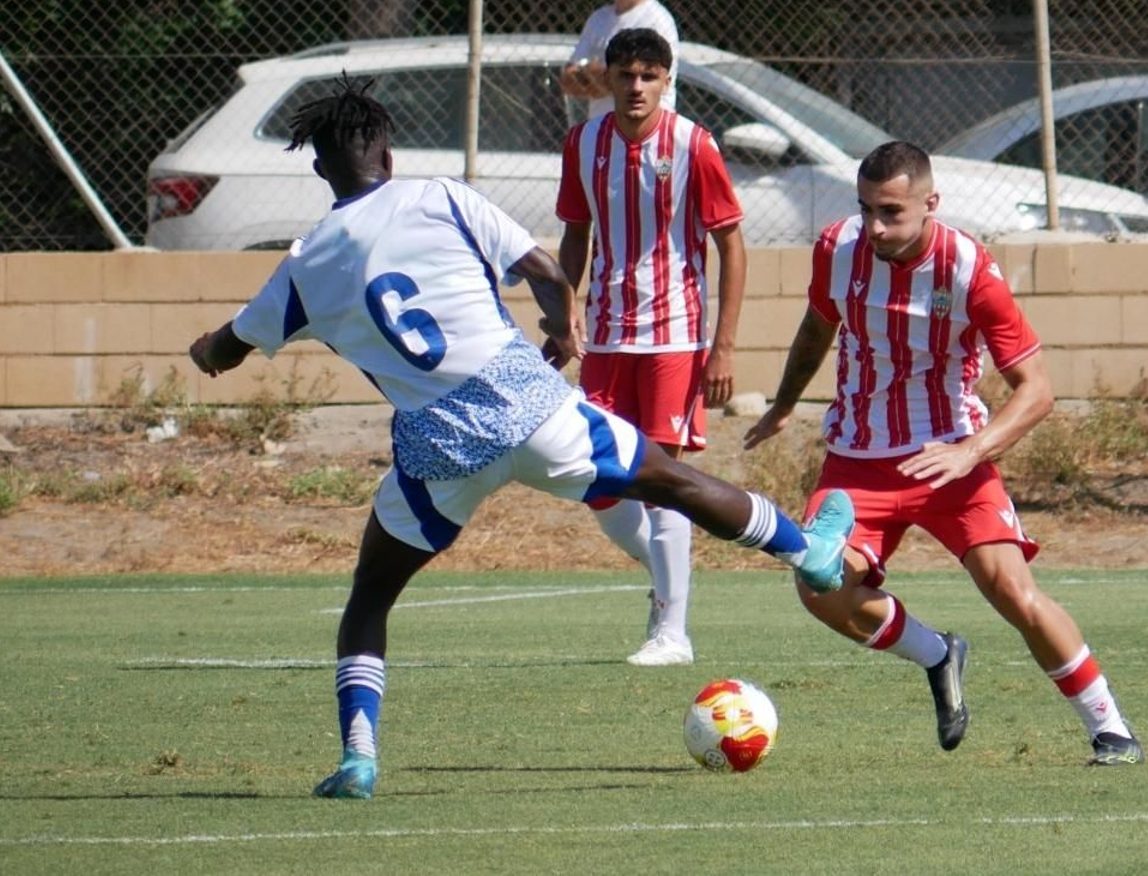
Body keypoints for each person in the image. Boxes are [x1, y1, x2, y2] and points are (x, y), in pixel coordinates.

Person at [186, 75, 851, 799]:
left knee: (370, 599)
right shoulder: (440, 195)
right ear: (390, 154)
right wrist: (564, 328)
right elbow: (540, 268)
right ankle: (806, 552)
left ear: (320, 169)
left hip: (440, 450)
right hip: (526, 406)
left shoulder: (305, 266)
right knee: (672, 481)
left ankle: (359, 758)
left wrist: (204, 350)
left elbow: (227, 348)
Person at [742, 141, 1144, 766]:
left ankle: (1110, 729)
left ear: (931, 204)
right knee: (818, 584)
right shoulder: (837, 249)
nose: (875, 226)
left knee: (1013, 590)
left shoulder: (968, 269)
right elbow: (819, 325)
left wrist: (969, 453)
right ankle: (936, 654)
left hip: (949, 456)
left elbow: (1037, 391)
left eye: (892, 212)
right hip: (857, 458)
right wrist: (785, 402)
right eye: (867, 208)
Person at [556, 28, 746, 667]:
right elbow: (575, 235)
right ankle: (665, 574)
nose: (636, 87)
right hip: (606, 338)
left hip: (674, 335)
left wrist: (723, 346)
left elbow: (732, 245)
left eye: (649, 76)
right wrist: (564, 313)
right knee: (597, 478)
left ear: (667, 81)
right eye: (625, 75)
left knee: (663, 479)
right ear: (607, 79)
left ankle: (673, 632)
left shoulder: (694, 144)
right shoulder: (583, 144)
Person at [560, 0, 678, 122]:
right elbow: (567, 81)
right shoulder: (597, 19)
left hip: (645, 134)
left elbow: (642, 83)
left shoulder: (657, 21)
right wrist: (607, 78)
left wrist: (588, 76)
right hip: (603, 133)